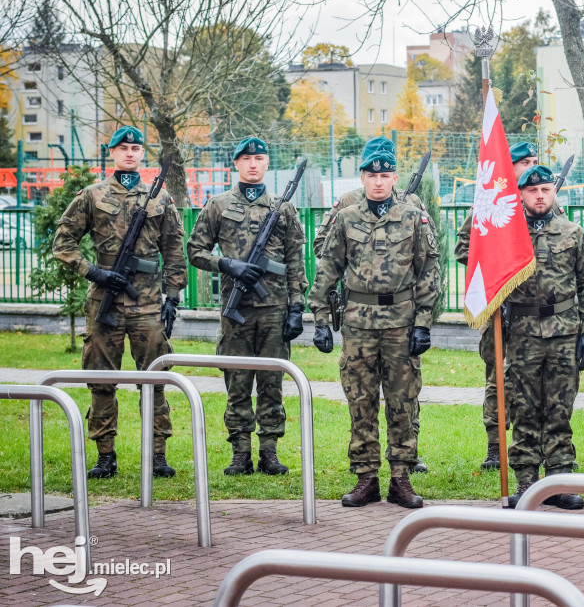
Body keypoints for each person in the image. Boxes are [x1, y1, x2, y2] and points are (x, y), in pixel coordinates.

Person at [308, 139, 440, 508]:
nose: (378, 182)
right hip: (358, 325)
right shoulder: (347, 218)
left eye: (385, 175)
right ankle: (366, 478)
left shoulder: (413, 216)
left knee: (402, 403)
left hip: (401, 322)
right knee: (360, 401)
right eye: (372, 175)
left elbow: (428, 269)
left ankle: (401, 479)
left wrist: (424, 323)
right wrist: (320, 318)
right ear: (362, 178)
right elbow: (328, 268)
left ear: (395, 177)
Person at [52, 126, 186, 479]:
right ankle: (105, 456)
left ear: (143, 154)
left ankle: (158, 455)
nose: (130, 152)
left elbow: (174, 249)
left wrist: (173, 296)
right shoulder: (92, 196)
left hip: (148, 306)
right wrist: (95, 273)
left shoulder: (159, 198)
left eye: (136, 148)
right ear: (111, 152)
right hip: (104, 305)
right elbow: (63, 243)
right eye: (123, 147)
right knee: (101, 382)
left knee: (155, 381)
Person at [186, 137, 308, 476]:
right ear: (236, 164)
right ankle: (240, 452)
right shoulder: (218, 204)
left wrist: (297, 307)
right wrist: (228, 265)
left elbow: (296, 260)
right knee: (237, 384)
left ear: (267, 163)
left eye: (259, 158)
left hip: (273, 311)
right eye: (246, 159)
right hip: (236, 313)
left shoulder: (283, 209)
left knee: (272, 385)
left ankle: (269, 451)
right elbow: (195, 251)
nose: (253, 164)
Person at [505, 165, 584, 509]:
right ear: (521, 195)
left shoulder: (573, 233)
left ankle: (559, 482)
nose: (540, 195)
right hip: (521, 333)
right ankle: (526, 483)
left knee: (560, 409)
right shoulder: (507, 233)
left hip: (563, 332)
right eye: (532, 191)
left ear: (554, 192)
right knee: (524, 407)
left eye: (546, 189)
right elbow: (473, 261)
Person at [454, 141, 539, 469]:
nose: (531, 166)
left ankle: (532, 444)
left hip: (535, 315)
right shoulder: (490, 205)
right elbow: (466, 247)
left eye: (534, 160)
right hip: (501, 310)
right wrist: (496, 267)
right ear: (509, 167)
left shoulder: (543, 204)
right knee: (497, 379)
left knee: (532, 380)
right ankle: (495, 446)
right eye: (523, 162)